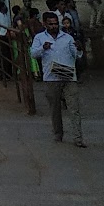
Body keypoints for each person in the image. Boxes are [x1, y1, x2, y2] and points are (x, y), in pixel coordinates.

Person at [30, 8, 85, 147]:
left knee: (74, 108)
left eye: (55, 24)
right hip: (51, 77)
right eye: (51, 24)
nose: (54, 26)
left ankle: (78, 138)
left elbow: (76, 55)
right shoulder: (39, 38)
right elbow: (33, 54)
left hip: (68, 76)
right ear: (45, 24)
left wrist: (79, 49)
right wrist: (43, 48)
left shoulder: (67, 38)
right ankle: (58, 134)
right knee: (55, 109)